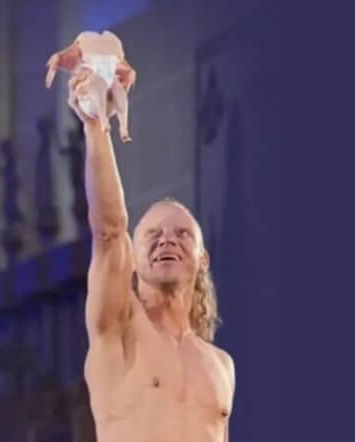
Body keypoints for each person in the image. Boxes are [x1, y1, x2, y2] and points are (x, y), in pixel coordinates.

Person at [69, 70, 236, 442]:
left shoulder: (221, 365)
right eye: (153, 235)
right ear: (135, 257)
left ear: (202, 259)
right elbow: (109, 230)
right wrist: (96, 126)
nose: (166, 241)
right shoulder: (118, 328)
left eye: (182, 234)